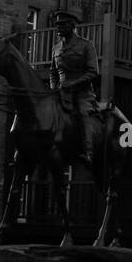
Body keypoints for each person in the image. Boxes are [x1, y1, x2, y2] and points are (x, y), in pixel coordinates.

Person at [49, 9, 99, 166]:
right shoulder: (56, 48)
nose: (58, 27)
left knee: (83, 114)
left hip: (82, 93)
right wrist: (53, 88)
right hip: (60, 92)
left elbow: (93, 72)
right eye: (57, 24)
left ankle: (88, 153)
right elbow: (53, 73)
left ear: (72, 26)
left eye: (62, 24)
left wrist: (73, 83)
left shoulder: (86, 45)